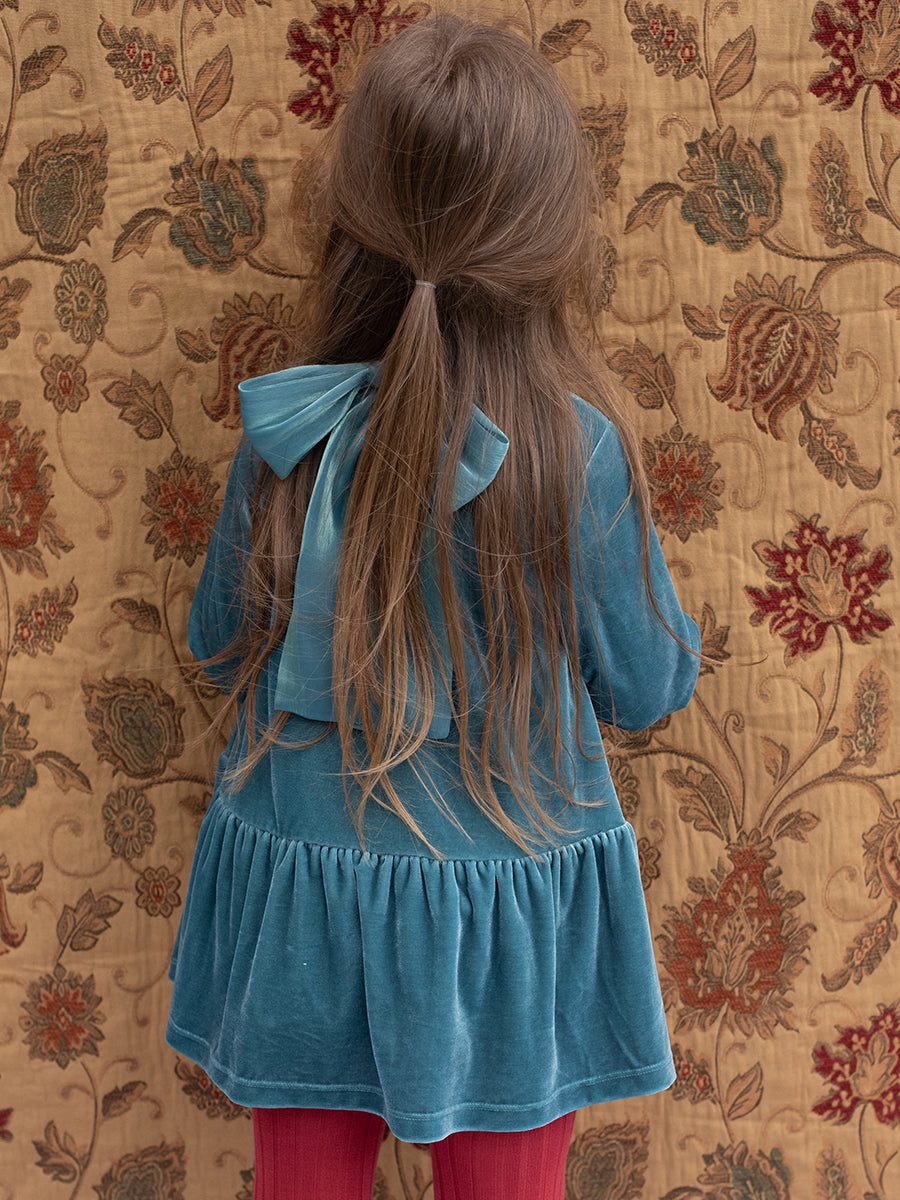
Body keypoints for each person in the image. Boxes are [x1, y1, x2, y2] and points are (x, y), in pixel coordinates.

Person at [166, 15, 701, 1200]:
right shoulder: (576, 452)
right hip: (503, 929)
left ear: (350, 214)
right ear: (549, 232)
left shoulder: (289, 429)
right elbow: (649, 684)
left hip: (307, 908)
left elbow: (214, 646)